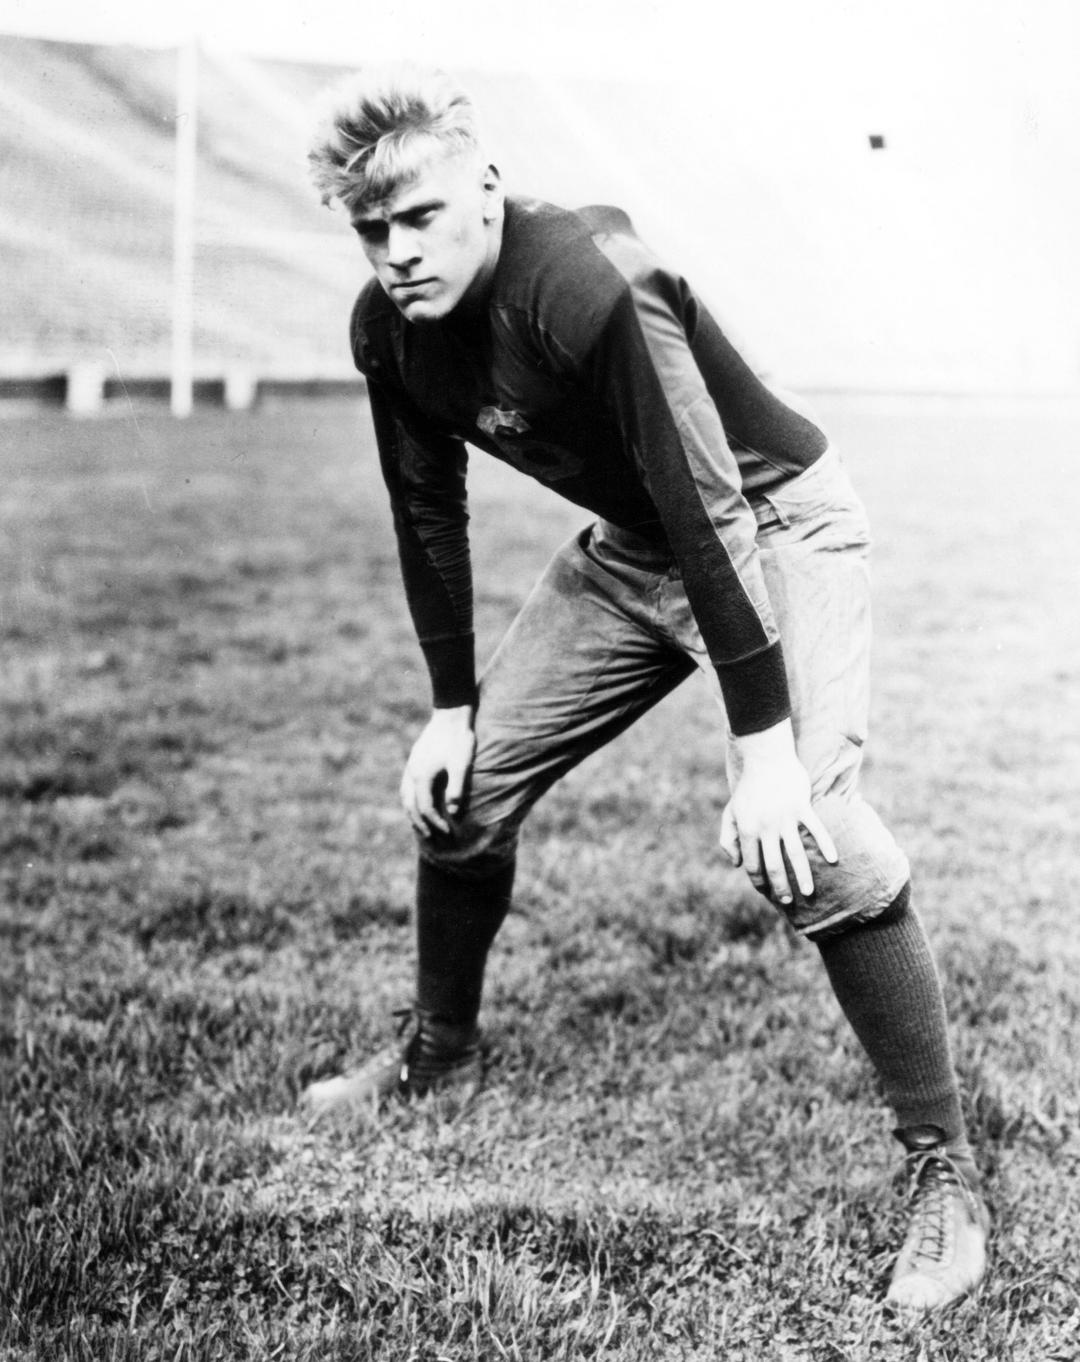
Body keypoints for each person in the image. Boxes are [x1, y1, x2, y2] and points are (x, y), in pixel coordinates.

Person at [303, 65, 989, 1310]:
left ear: (488, 190)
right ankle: (439, 1057)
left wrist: (766, 751)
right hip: (635, 550)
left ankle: (945, 1171)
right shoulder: (386, 329)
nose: (395, 252)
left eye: (418, 217)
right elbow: (426, 513)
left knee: (819, 837)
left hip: (775, 524)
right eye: (370, 228)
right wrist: (452, 707)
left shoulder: (589, 279)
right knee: (461, 796)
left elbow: (715, 503)